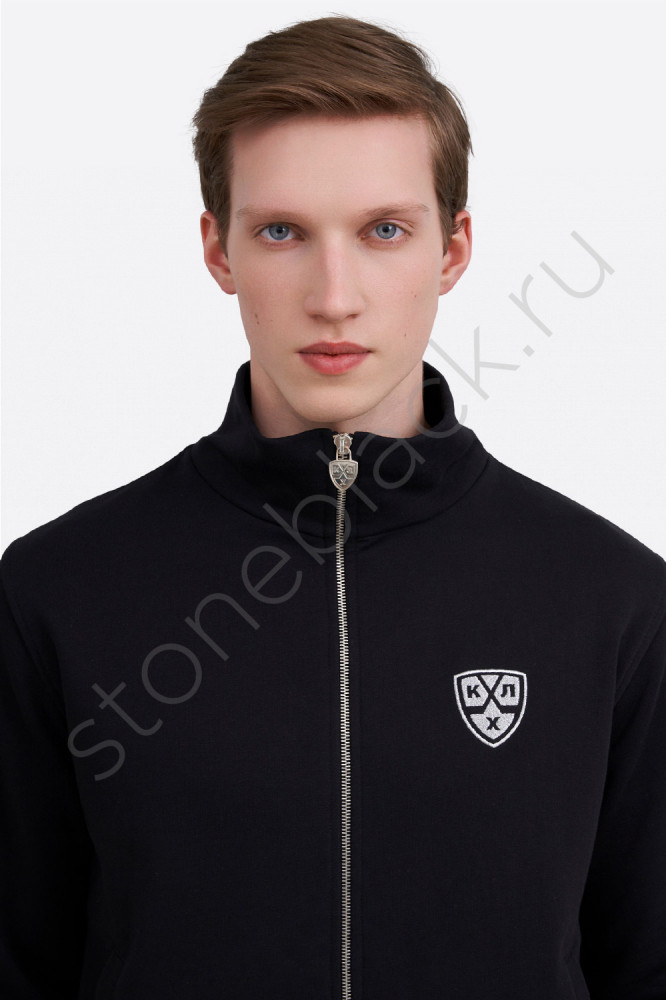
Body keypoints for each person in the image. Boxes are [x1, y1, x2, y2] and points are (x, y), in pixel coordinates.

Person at [1, 14, 664, 999]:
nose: (335, 295)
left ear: (453, 250)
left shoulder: (613, 599)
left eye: (384, 231)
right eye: (282, 232)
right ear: (219, 251)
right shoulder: (58, 590)